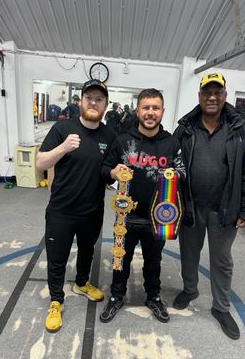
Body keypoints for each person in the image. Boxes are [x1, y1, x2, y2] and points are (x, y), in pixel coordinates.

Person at [173, 73, 245, 340]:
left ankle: (221, 308)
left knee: (222, 261)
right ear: (199, 96)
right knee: (189, 252)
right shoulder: (185, 127)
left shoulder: (239, 128)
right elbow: (172, 166)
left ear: (224, 95)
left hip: (225, 209)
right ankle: (190, 289)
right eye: (206, 92)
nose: (212, 97)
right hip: (191, 205)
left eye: (217, 92)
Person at [36, 79, 116, 332]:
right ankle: (56, 300)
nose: (93, 103)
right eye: (89, 98)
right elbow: (40, 162)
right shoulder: (62, 128)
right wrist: (62, 147)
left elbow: (108, 171)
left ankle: (82, 283)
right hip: (61, 209)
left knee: (87, 251)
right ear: (81, 101)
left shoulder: (109, 135)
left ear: (105, 104)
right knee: (57, 258)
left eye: (99, 99)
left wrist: (116, 173)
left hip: (92, 209)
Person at [100, 88, 186, 323]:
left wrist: (172, 175)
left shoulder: (172, 143)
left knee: (153, 261)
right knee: (121, 258)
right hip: (126, 216)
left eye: (155, 108)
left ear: (162, 112)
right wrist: (113, 171)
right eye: (146, 107)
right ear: (138, 110)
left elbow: (183, 172)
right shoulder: (122, 141)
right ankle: (117, 296)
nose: (150, 113)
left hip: (159, 216)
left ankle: (153, 297)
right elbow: (104, 170)